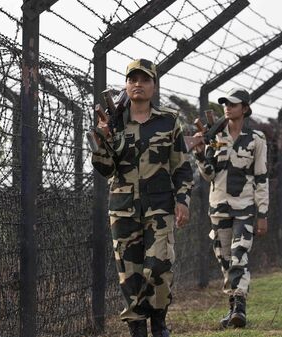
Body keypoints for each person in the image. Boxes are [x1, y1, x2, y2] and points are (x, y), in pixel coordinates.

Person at [91, 59, 194, 337]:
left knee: (159, 266)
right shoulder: (114, 123)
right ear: (126, 85)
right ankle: (137, 328)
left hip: (160, 207)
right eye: (132, 79)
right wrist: (103, 140)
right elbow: (104, 169)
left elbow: (182, 166)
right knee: (130, 273)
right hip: (123, 209)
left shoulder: (168, 121)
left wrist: (182, 200)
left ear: (153, 85)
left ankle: (158, 322)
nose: (138, 83)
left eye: (144, 79)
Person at [192, 88, 269, 328]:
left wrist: (262, 213)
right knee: (225, 259)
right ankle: (233, 308)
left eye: (233, 104)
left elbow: (262, 177)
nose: (227, 107)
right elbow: (209, 175)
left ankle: (241, 308)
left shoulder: (256, 139)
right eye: (225, 103)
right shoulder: (216, 137)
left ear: (244, 108)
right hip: (218, 208)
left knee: (239, 255)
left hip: (244, 208)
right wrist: (199, 155)